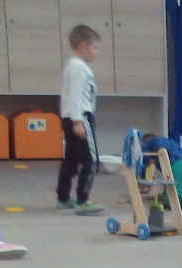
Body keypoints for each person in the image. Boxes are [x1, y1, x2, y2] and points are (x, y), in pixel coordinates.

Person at [56, 24, 104, 215]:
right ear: (83, 46)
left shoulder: (73, 66)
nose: (96, 52)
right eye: (94, 48)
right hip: (80, 117)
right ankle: (83, 199)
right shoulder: (79, 68)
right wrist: (78, 121)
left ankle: (63, 198)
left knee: (71, 160)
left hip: (71, 117)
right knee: (91, 161)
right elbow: (75, 95)